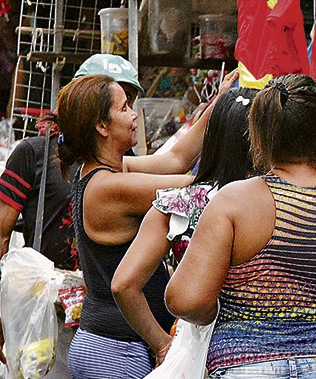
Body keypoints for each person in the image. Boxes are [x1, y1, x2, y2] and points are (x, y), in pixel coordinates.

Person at [166, 74, 316, 379]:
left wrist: (223, 314)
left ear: (259, 138)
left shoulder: (233, 203)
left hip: (246, 367)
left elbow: (186, 300)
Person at [56, 69, 238, 379]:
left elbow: (177, 158)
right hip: (117, 352)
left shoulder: (104, 170)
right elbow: (194, 188)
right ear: (102, 126)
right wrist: (163, 344)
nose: (133, 115)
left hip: (106, 344)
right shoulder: (107, 188)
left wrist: (219, 104)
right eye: (124, 108)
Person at [0, 54, 145, 378]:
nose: (129, 113)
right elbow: (0, 232)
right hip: (45, 311)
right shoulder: (33, 153)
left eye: (128, 100)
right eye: (118, 102)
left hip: (103, 319)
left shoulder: (126, 162)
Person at [112, 87, 257, 362]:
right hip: (267, 352)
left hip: (194, 351)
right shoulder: (282, 202)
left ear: (212, 139)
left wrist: (162, 344)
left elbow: (123, 285)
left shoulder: (176, 205)